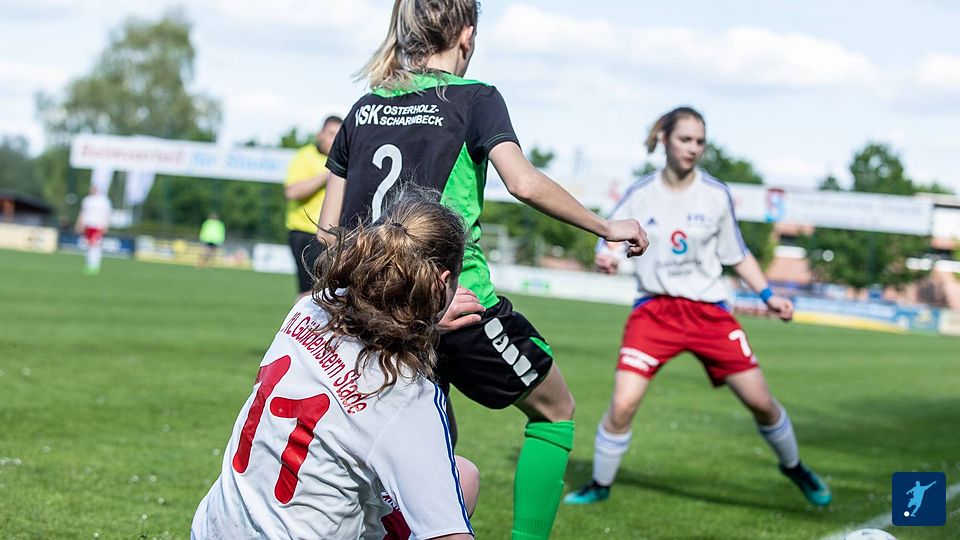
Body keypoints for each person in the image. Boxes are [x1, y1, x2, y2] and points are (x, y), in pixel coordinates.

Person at [315, 2, 649, 538]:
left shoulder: (363, 108)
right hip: (456, 303)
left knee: (425, 453)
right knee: (555, 410)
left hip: (376, 313)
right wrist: (607, 226)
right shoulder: (475, 99)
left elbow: (328, 233)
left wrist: (373, 299)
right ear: (466, 34)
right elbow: (524, 183)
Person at [563, 107, 832, 508]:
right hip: (654, 312)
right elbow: (610, 244)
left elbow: (737, 255)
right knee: (623, 404)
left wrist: (768, 295)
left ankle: (794, 467)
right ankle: (600, 484)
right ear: (665, 140)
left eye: (700, 141)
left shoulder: (715, 195)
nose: (693, 148)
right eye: (685, 139)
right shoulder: (640, 194)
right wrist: (607, 259)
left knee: (761, 402)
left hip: (710, 314)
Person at [192, 194, 477, 539]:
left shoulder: (310, 308)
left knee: (461, 475)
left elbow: (367, 316)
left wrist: (425, 316)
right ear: (441, 283)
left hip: (214, 527)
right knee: (461, 484)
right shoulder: (404, 394)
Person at [284, 115, 343, 298]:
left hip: (332, 235)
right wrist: (330, 173)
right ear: (320, 135)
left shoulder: (345, 160)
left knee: (329, 291)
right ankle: (302, 317)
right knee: (311, 293)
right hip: (306, 232)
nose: (335, 140)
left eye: (339, 135)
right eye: (331, 134)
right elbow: (292, 192)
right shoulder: (305, 156)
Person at [75, 185, 112, 275]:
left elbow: (107, 214)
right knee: (89, 245)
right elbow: (83, 213)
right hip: (88, 225)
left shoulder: (104, 201)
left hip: (98, 226)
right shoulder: (87, 200)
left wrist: (106, 225)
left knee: (95, 245)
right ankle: (89, 264)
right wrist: (79, 224)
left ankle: (94, 265)